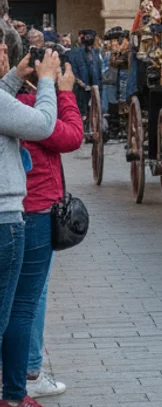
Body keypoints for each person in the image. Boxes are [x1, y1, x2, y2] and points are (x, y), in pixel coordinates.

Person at [14, 58, 79, 401]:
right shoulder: (25, 106)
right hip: (33, 207)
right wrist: (61, 90)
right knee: (31, 296)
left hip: (20, 206)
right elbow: (69, 136)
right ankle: (28, 370)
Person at [0, 48, 60, 407]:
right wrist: (50, 82)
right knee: (9, 312)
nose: (6, 51)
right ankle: (12, 395)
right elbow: (44, 125)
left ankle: (13, 394)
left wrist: (11, 79)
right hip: (5, 217)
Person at [65, 31, 102, 139]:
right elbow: (73, 68)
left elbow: (99, 69)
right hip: (81, 85)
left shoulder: (96, 52)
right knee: (82, 109)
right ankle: (82, 130)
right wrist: (80, 82)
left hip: (95, 85)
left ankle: (92, 129)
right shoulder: (75, 53)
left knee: (94, 109)